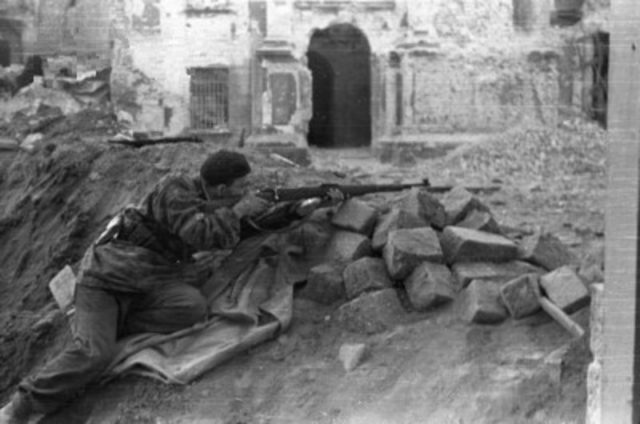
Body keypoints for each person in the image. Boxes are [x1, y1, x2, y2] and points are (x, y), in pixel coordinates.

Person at [0, 149, 272, 424]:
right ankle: (20, 406)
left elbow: (228, 232)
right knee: (95, 354)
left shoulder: (211, 202)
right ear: (222, 188)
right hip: (106, 280)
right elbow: (200, 234)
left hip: (149, 282)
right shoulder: (174, 188)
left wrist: (292, 210)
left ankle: (112, 323)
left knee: (192, 307)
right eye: (241, 187)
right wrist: (237, 211)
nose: (245, 192)